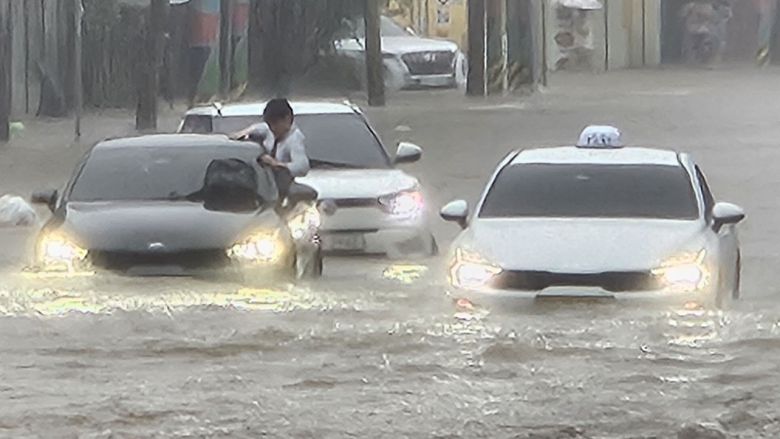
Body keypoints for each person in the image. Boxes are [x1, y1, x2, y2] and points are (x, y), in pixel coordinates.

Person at [231, 98, 310, 179]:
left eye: (275, 124)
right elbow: (258, 128)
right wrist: (242, 133)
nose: (272, 128)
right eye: (269, 124)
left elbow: (302, 167)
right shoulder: (269, 130)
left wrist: (275, 163)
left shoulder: (295, 139)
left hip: (281, 182)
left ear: (287, 119)